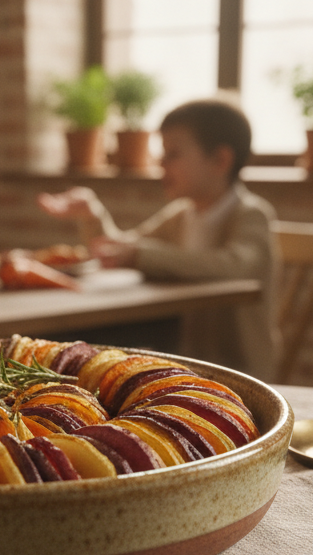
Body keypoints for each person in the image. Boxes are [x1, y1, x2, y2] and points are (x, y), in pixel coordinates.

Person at [37, 98, 281, 380]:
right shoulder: (180, 215)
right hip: (184, 364)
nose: (160, 162)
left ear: (220, 160)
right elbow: (125, 246)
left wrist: (142, 255)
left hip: (239, 372)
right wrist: (92, 215)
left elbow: (231, 265)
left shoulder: (251, 215)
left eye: (172, 154)